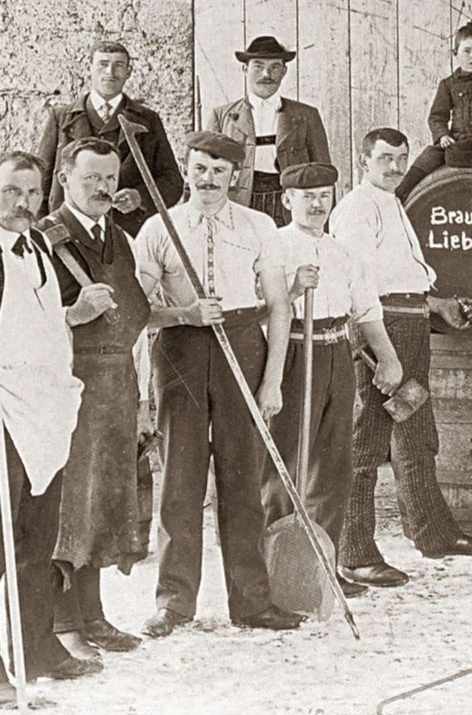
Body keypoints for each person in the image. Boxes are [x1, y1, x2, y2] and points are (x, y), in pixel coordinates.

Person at [135, 131, 301, 638]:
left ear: (237, 175)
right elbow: (139, 312)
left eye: (219, 171)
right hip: (180, 354)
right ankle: (174, 603)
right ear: (187, 169)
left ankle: (252, 602)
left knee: (242, 482)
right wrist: (183, 312)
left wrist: (271, 383)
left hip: (242, 348)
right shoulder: (158, 228)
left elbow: (279, 306)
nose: (207, 179)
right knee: (180, 484)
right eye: (199, 168)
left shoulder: (259, 226)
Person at [329, 128, 472, 590]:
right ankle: (354, 554)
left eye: (402, 158)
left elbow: (402, 279)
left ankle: (434, 535)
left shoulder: (391, 203)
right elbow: (360, 291)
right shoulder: (357, 209)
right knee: (367, 441)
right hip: (383, 332)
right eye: (385, 158)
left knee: (416, 431)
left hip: (410, 322)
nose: (396, 167)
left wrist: (438, 305)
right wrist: (381, 355)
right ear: (364, 160)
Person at [263, 161, 402, 599]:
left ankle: (323, 566)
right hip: (290, 355)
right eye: (308, 197)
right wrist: (290, 287)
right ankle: (276, 573)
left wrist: (389, 359)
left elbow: (367, 310)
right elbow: (257, 311)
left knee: (332, 465)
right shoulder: (272, 247)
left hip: (336, 353)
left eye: (324, 195)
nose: (317, 204)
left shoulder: (344, 252)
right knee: (284, 461)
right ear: (288, 200)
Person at [36, 138, 151, 661]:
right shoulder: (43, 242)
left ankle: (95, 616)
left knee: (104, 502)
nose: (104, 188)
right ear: (64, 180)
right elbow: (20, 326)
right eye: (91, 179)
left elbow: (136, 317)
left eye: (110, 178)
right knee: (70, 509)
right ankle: (63, 625)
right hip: (70, 387)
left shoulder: (119, 239)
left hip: (116, 387)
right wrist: (72, 316)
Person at [0, 151, 99, 700]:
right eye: (11, 191)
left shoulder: (37, 245)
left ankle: (35, 646)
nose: (22, 204)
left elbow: (33, 325)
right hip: (5, 411)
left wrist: (73, 317)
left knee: (35, 538)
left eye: (33, 193)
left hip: (45, 409)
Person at [37, 40, 183, 237]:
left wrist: (140, 197)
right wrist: (40, 231)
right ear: (90, 68)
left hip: (127, 234)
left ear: (129, 72)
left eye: (119, 65)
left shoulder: (148, 121)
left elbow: (172, 181)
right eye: (103, 64)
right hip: (69, 232)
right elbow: (41, 180)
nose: (110, 72)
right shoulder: (61, 118)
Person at [206, 36, 331, 226]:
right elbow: (209, 171)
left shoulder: (306, 115)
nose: (266, 74)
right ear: (245, 69)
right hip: (239, 205)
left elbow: (322, 174)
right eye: (258, 66)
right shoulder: (222, 116)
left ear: (284, 71)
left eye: (275, 67)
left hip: (288, 205)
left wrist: (323, 223)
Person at [394, 21, 472, 203]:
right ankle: (400, 193)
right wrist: (443, 136)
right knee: (429, 155)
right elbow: (437, 116)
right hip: (457, 143)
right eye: (467, 50)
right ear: (455, 53)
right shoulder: (448, 84)